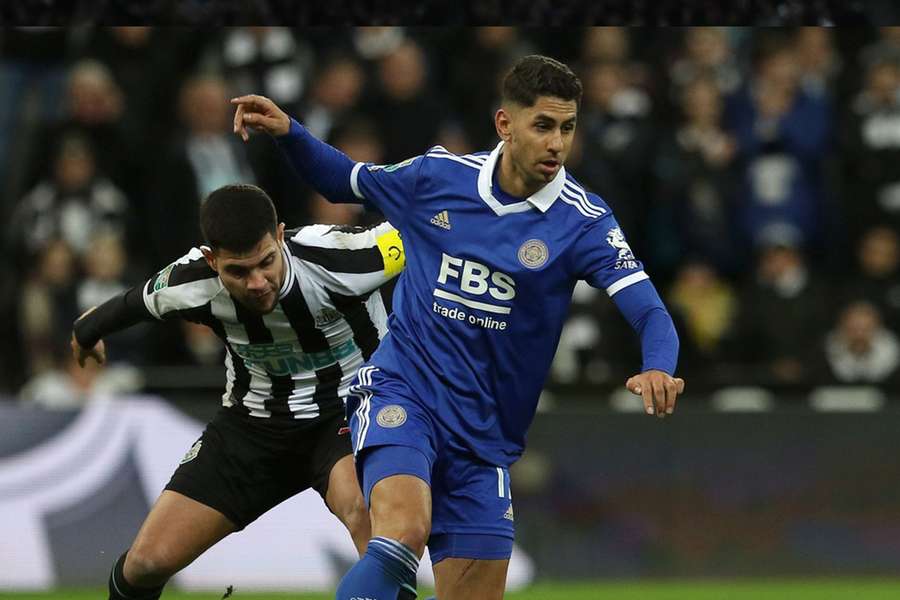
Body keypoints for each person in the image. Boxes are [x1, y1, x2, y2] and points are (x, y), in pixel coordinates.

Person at [233, 54, 684, 600]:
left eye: (567, 128)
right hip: (405, 391)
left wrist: (658, 365)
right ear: (505, 124)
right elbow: (343, 181)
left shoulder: (584, 221)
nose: (556, 144)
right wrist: (290, 132)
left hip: (484, 439)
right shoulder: (438, 177)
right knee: (403, 531)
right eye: (542, 125)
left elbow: (650, 311)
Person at [70, 183, 405, 600]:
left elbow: (438, 229)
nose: (258, 282)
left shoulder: (344, 254)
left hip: (350, 411)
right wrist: (87, 333)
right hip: (251, 426)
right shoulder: (192, 281)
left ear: (280, 236)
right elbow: (131, 304)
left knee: (363, 511)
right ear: (212, 260)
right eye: (238, 272)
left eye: (266, 262)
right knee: (145, 563)